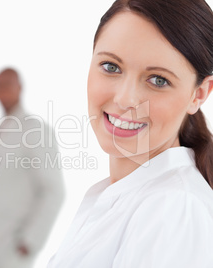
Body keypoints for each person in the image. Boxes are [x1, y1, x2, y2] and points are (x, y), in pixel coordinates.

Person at [48, 0, 213, 267]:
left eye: (158, 80)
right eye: (111, 67)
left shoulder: (173, 210)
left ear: (199, 94)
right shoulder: (119, 196)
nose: (125, 99)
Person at [0, 68, 65, 268]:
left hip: (14, 249)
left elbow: (54, 190)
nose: (2, 91)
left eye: (7, 84)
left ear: (20, 87)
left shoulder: (35, 130)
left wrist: (30, 240)